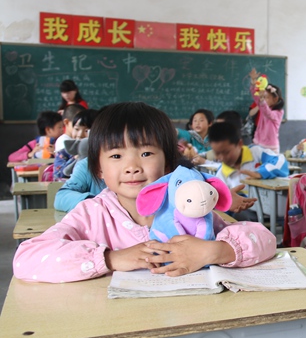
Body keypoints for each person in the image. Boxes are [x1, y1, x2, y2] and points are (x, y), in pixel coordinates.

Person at [13, 102, 276, 283]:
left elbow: (265, 239)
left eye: (146, 153)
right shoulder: (93, 214)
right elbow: (26, 259)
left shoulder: (184, 207)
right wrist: (110, 259)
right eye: (116, 156)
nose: (132, 167)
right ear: (99, 168)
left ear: (169, 164)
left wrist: (214, 251)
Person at [208, 121, 288, 220]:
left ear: (239, 144)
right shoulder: (221, 174)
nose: (222, 157)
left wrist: (260, 173)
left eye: (226, 152)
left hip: (272, 205)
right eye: (217, 153)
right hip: (248, 211)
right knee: (240, 215)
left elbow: (280, 161)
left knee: (290, 214)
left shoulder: (256, 152)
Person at [53, 109, 98, 180]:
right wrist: (75, 159)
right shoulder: (64, 152)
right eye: (77, 129)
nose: (80, 134)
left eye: (86, 130)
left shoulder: (101, 153)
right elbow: (58, 174)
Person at [249, 68, 285, 153]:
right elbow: (256, 96)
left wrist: (262, 100)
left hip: (270, 147)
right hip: (258, 143)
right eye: (263, 97)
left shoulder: (279, 112)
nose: (264, 99)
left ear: (275, 99)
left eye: (266, 97)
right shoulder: (263, 105)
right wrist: (253, 81)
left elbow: (268, 113)